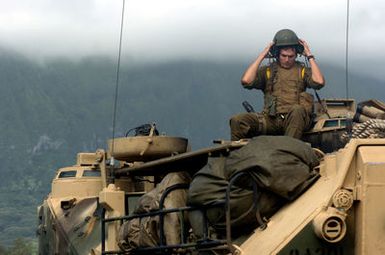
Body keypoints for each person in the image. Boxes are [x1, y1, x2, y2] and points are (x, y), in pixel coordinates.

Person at [230, 29, 325, 140]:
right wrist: (263, 54)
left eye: (291, 56)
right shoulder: (268, 71)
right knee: (238, 121)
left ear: (296, 55)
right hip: (271, 120)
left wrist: (309, 55)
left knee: (297, 110)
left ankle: (288, 151)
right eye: (283, 55)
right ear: (277, 54)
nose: (287, 59)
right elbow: (246, 81)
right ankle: (239, 156)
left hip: (294, 120)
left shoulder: (302, 70)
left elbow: (319, 82)